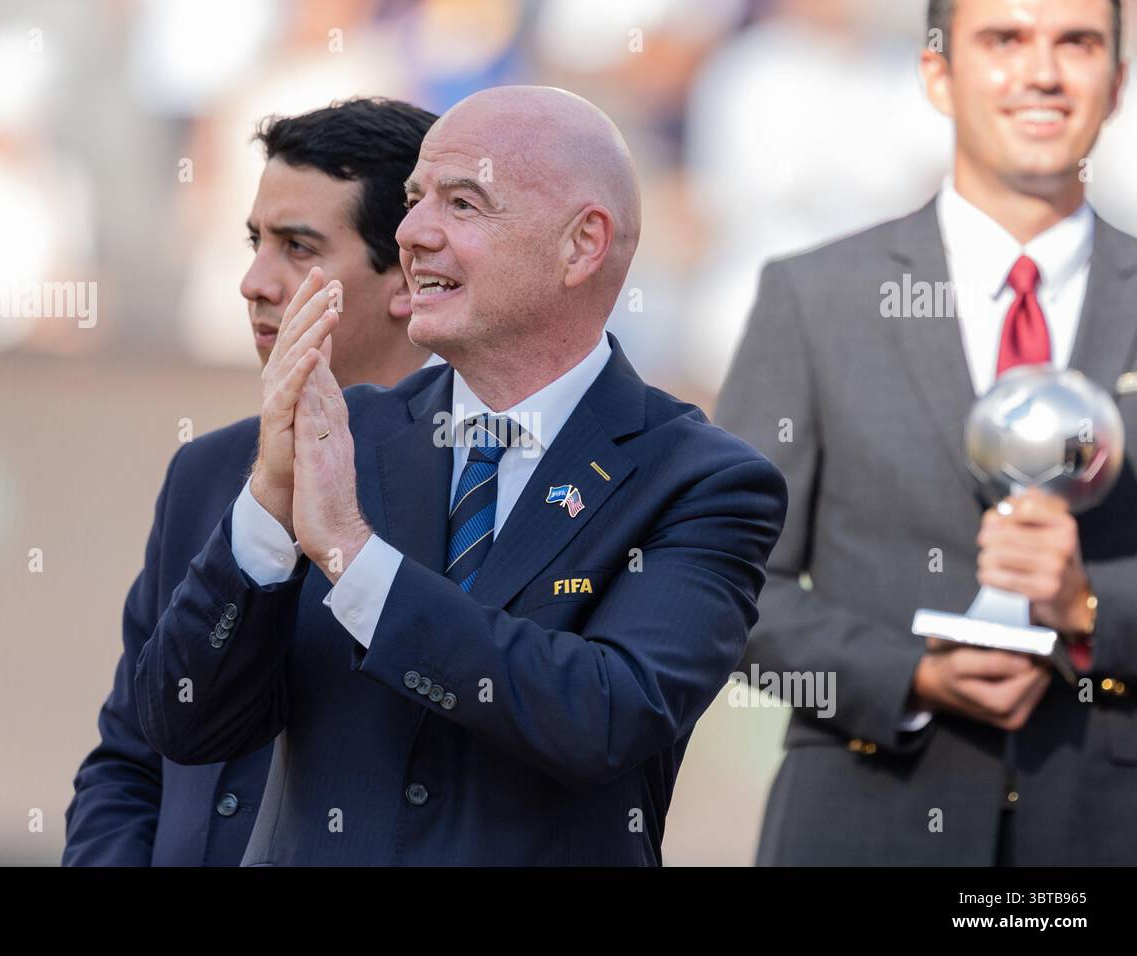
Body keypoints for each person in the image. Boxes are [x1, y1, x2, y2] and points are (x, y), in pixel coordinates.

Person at [133, 85, 787, 866]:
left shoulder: (700, 481)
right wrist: (265, 517)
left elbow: (606, 715)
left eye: (463, 204)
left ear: (581, 246)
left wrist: (352, 552)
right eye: (414, 200)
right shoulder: (343, 437)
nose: (413, 233)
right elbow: (186, 723)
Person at [717, 0, 1137, 865]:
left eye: (1078, 43)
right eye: (1005, 40)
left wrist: (1088, 608)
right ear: (937, 74)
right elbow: (728, 582)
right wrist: (908, 675)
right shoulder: (814, 298)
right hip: (868, 817)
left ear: (1118, 81)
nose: (1044, 73)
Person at [63, 97, 439, 866]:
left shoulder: (475, 483)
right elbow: (131, 759)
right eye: (255, 241)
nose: (254, 281)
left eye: (299, 248)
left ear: (409, 278)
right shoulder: (203, 472)